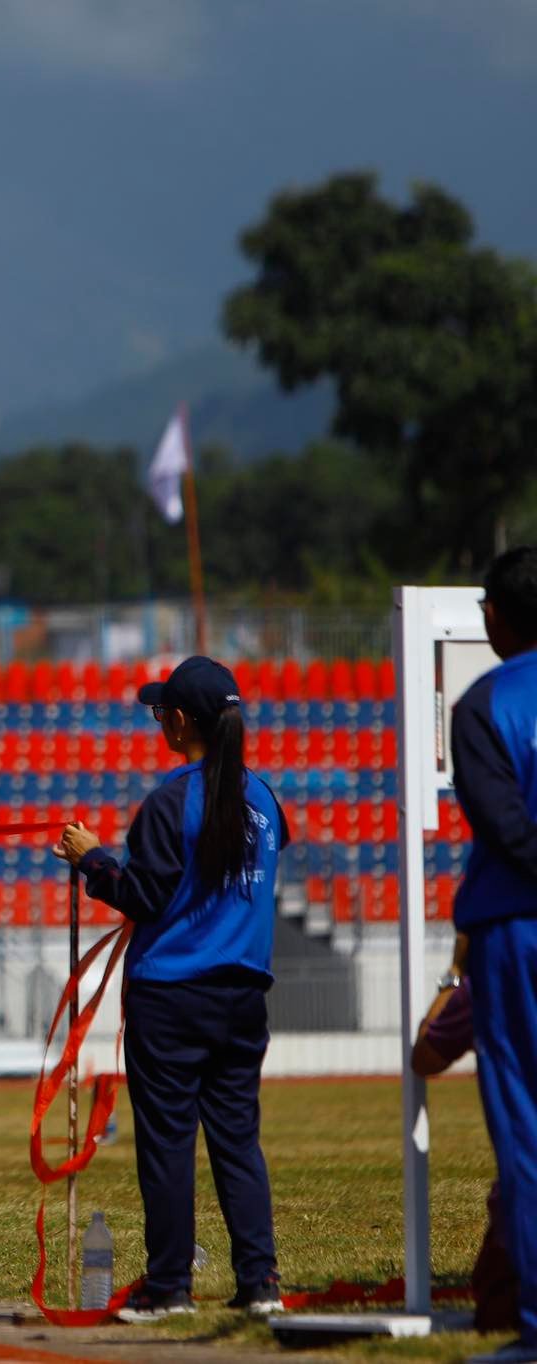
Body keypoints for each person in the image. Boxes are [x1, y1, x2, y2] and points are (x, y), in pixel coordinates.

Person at [54, 655, 289, 1323]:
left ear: (181, 720)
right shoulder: (265, 800)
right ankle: (260, 1279)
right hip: (244, 991)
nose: (161, 721)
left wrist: (91, 860)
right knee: (237, 1138)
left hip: (172, 993)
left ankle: (169, 1286)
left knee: (167, 1143)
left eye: (163, 712)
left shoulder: (169, 801)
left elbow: (142, 896)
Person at [448, 547, 537, 1363]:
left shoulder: (485, 703)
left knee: (526, 1128)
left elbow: (504, 828)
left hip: (518, 926)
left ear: (496, 617)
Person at [411, 934, 517, 1334]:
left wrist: (455, 975)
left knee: (497, 1304)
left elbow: (425, 1054)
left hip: (523, 1193)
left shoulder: (492, 981)